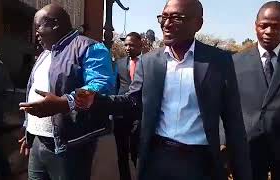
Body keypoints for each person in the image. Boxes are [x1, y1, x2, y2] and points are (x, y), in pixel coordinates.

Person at [78, 0, 252, 179]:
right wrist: (97, 100)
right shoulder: (149, 62)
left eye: (176, 18)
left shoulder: (219, 62)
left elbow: (234, 123)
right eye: (164, 17)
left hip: (201, 161)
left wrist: (242, 173)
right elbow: (132, 101)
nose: (166, 24)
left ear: (198, 24)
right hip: (158, 157)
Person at [18, 4, 114, 180]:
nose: (36, 33)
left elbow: (102, 84)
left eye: (38, 26)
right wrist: (29, 132)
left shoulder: (90, 47)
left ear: (54, 24)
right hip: (38, 143)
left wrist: (65, 102)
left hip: (70, 146)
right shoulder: (44, 54)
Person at [232, 1, 280, 180]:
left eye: (275, 26)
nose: (268, 31)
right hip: (248, 146)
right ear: (255, 25)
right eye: (263, 26)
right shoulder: (235, 62)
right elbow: (226, 106)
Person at [113, 32, 142, 180]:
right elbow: (116, 86)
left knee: (137, 152)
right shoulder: (119, 63)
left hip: (140, 113)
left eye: (132, 44)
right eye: (126, 45)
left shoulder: (147, 62)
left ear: (140, 45)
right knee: (121, 152)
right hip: (121, 114)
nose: (128, 47)